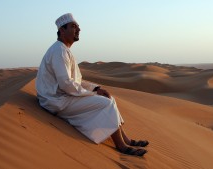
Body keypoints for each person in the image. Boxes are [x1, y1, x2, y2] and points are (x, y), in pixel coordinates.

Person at [36, 13, 149, 156]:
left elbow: (75, 81)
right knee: (106, 104)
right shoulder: (59, 51)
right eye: (73, 26)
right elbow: (66, 84)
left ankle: (126, 139)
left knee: (109, 99)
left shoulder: (64, 50)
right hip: (57, 101)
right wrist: (91, 93)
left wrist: (96, 88)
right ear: (62, 30)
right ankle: (121, 146)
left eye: (78, 27)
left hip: (63, 97)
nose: (78, 30)